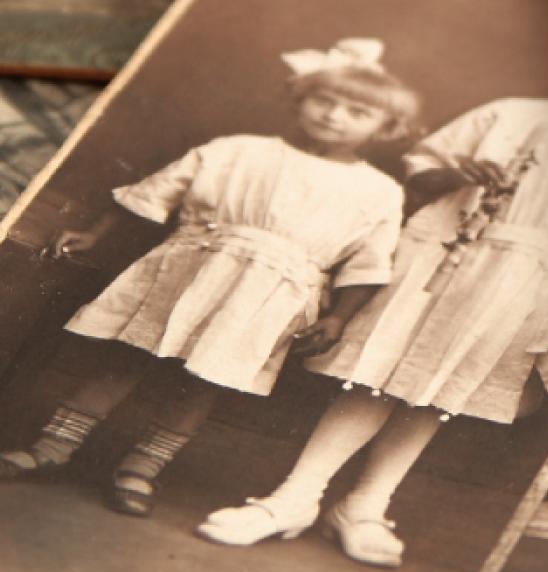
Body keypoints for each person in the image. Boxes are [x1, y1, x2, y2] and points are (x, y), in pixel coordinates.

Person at [0, 38, 418, 517]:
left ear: (387, 128)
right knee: (126, 358)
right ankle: (53, 446)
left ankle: (141, 468)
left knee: (205, 381)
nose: (334, 116)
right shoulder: (238, 150)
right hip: (190, 268)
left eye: (357, 111)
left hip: (272, 294)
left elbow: (368, 261)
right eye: (325, 101)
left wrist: (340, 317)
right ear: (300, 98)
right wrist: (95, 235)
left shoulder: (378, 191)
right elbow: (156, 191)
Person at [197, 87, 548, 568]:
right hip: (446, 254)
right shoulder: (513, 114)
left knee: (439, 391)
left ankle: (365, 506)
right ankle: (296, 496)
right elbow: (421, 174)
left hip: (532, 285)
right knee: (377, 376)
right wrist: (458, 175)